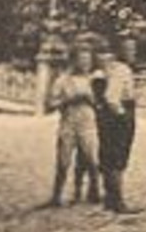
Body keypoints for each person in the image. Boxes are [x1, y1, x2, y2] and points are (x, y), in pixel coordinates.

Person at [45, 44, 100, 208]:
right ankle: (56, 196)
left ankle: (91, 193)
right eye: (81, 60)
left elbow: (103, 104)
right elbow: (50, 105)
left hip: (88, 124)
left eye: (88, 60)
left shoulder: (96, 79)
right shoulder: (63, 80)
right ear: (74, 61)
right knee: (63, 162)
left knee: (92, 161)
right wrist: (69, 100)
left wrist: (91, 100)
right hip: (68, 124)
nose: (85, 64)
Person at [93, 35, 141, 214]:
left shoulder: (109, 68)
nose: (133, 53)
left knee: (109, 157)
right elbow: (111, 97)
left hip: (107, 115)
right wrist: (121, 115)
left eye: (134, 49)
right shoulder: (122, 70)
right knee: (118, 158)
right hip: (119, 114)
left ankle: (110, 199)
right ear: (121, 51)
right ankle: (118, 201)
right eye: (129, 49)